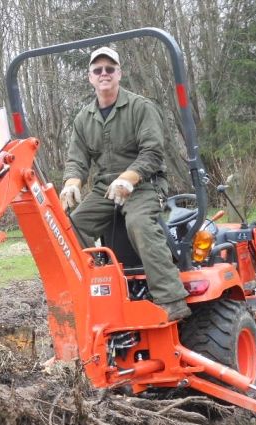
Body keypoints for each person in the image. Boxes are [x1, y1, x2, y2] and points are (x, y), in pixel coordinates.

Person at [60, 46, 191, 322]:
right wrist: (72, 183)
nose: (104, 74)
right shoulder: (84, 119)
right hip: (105, 188)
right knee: (69, 227)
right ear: (90, 78)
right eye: (98, 70)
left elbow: (153, 153)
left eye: (110, 69)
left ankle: (171, 299)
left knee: (139, 224)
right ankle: (97, 288)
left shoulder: (140, 108)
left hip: (144, 185)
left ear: (119, 73)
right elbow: (77, 160)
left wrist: (129, 178)